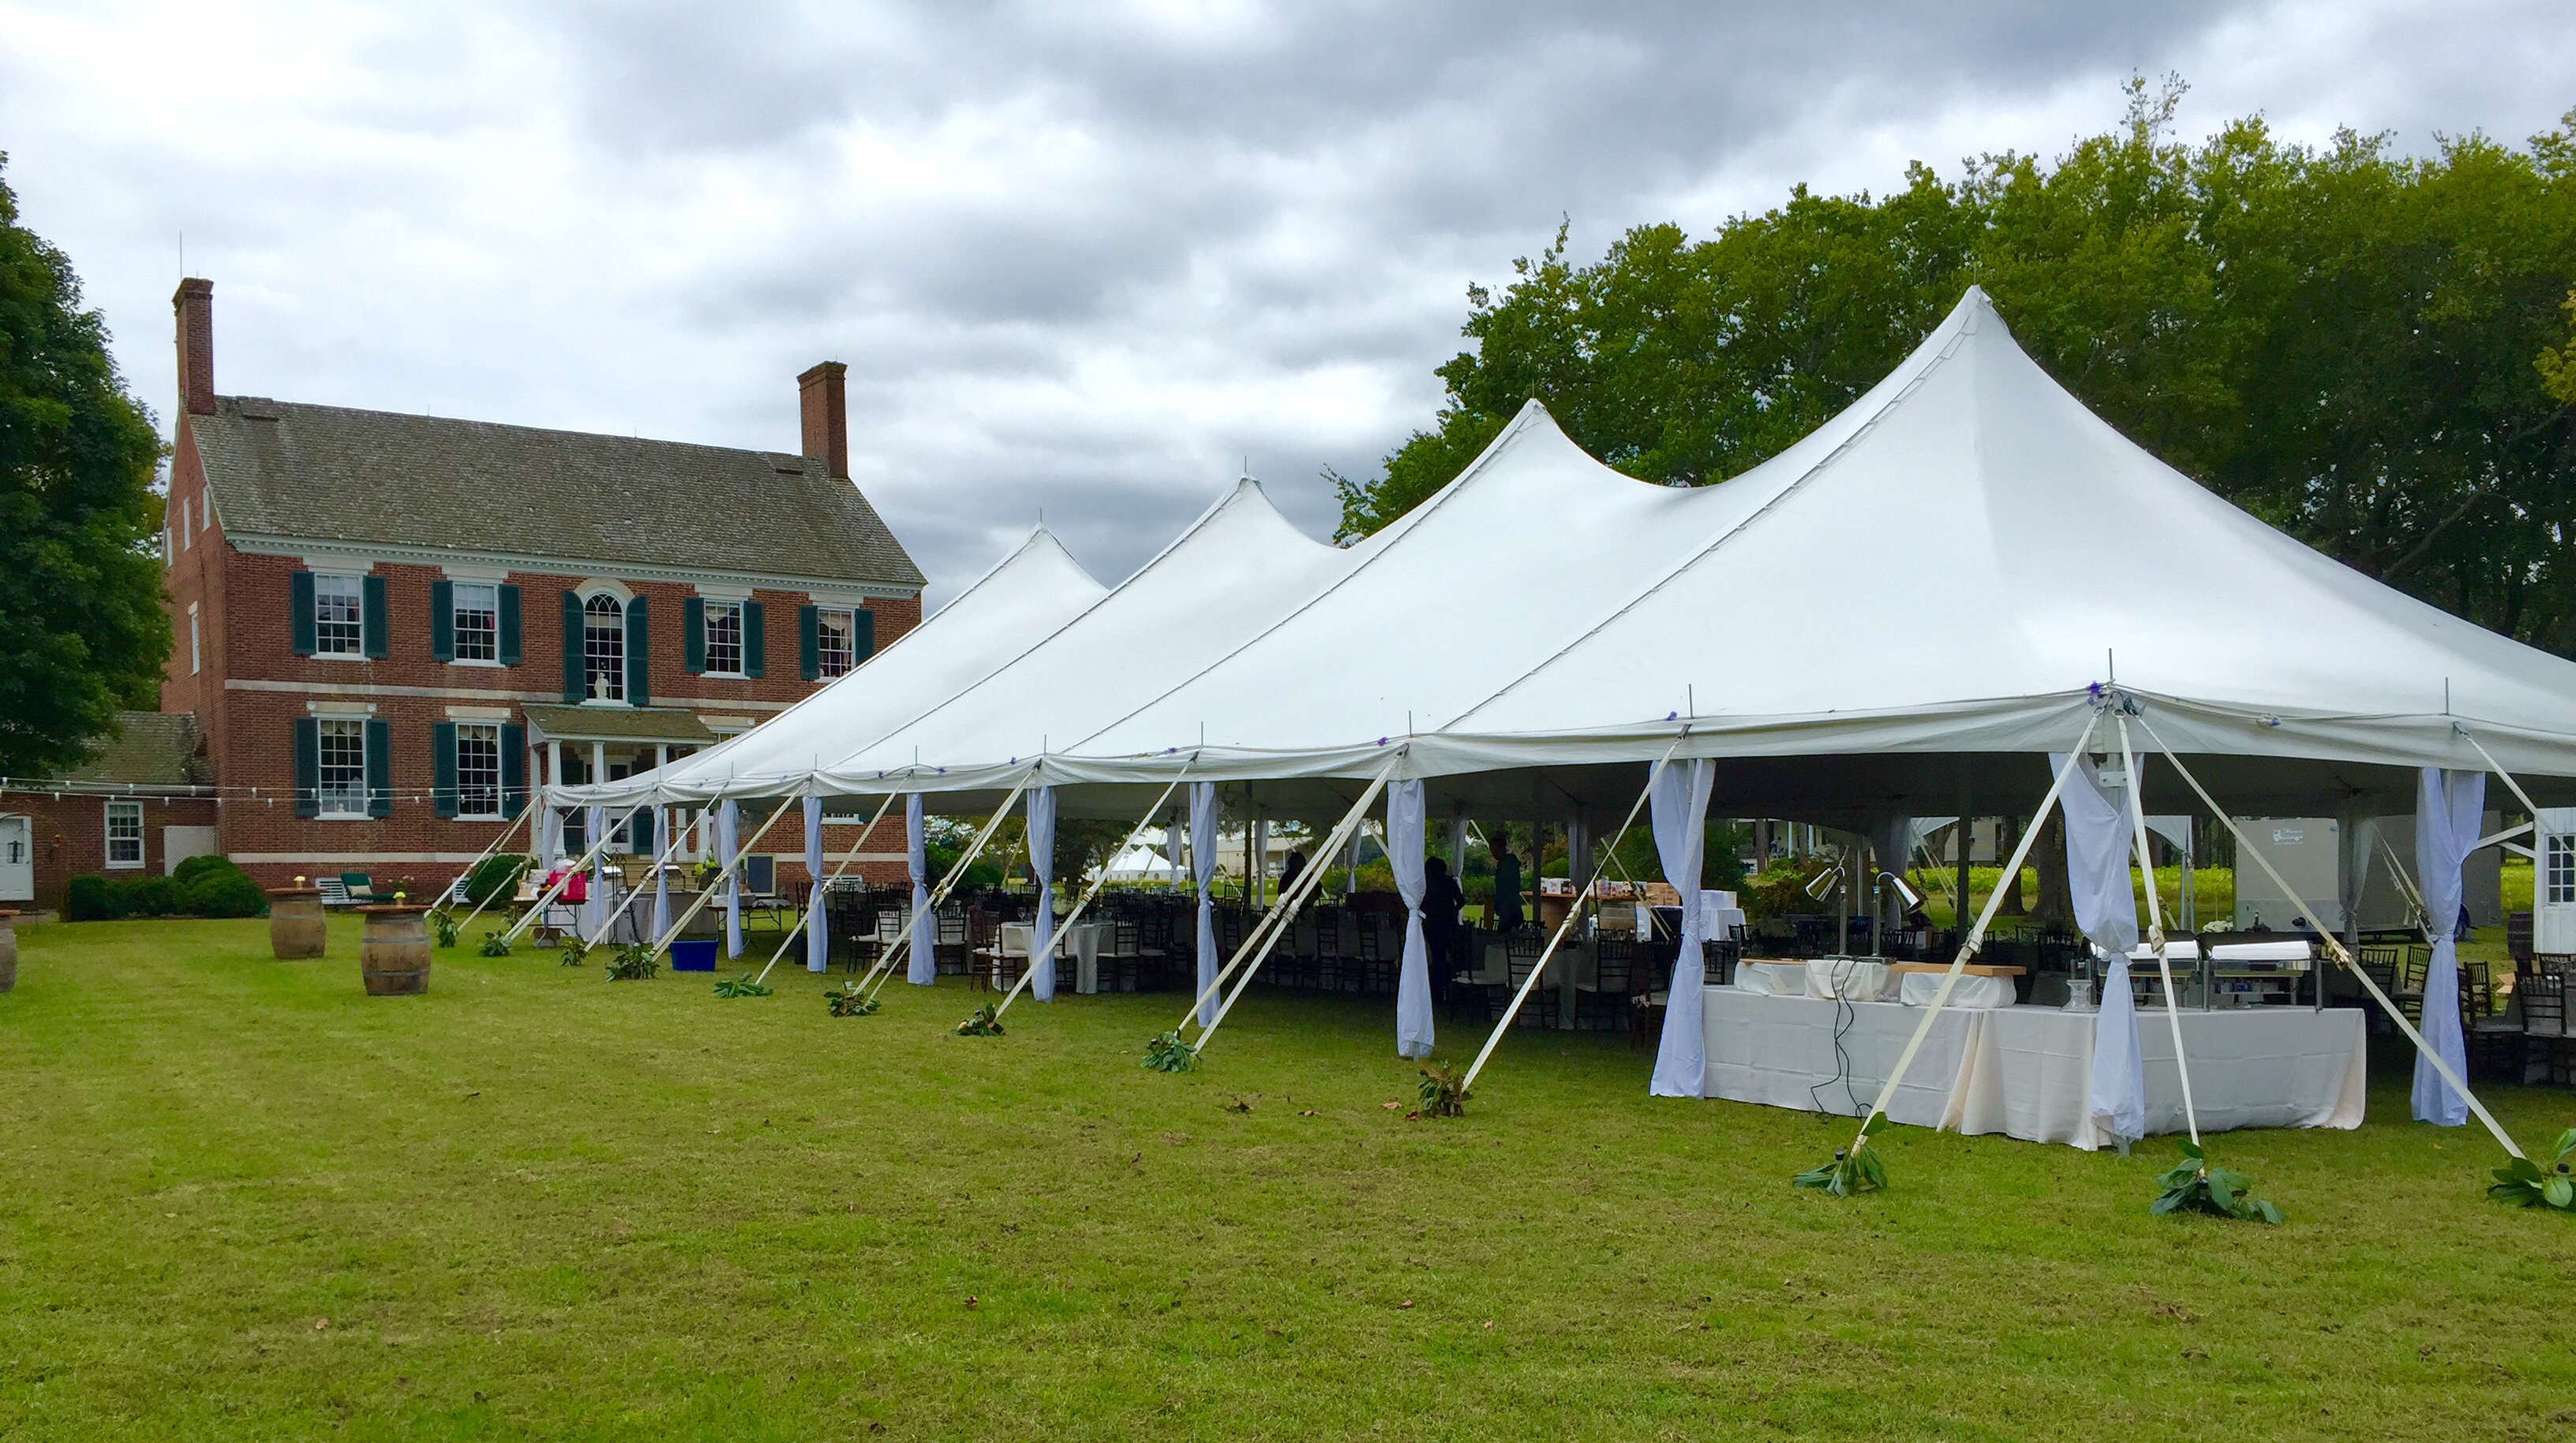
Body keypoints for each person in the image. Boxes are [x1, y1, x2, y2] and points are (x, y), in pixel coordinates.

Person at [1421, 855, 1466, 1004]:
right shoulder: (1449, 882)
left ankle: (1438, 993)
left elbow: (1421, 904)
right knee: (1453, 958)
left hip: (1432, 924)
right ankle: (1454, 991)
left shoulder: (1426, 884)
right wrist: (1453, 910)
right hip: (1448, 924)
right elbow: (1461, 901)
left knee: (1437, 958)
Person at [1489, 830, 1523, 931]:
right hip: (1509, 909)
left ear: (1501, 849)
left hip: (1510, 910)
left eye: (1494, 851)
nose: (1493, 854)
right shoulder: (1505, 865)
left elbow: (1506, 889)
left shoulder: (1508, 866)